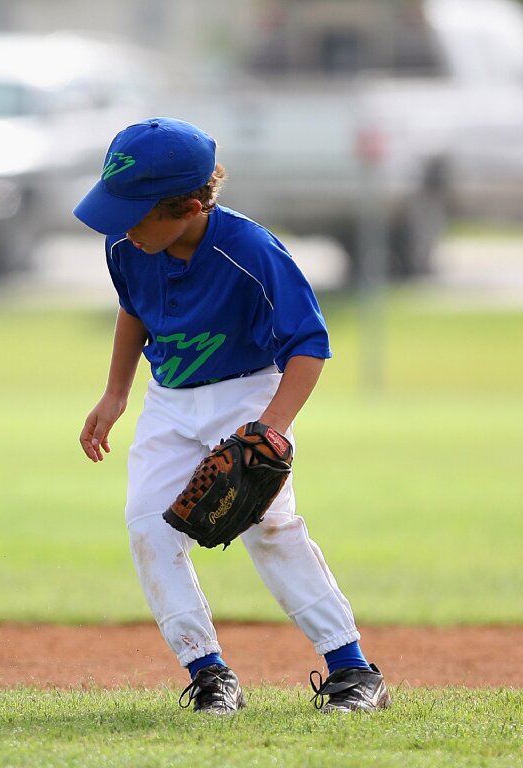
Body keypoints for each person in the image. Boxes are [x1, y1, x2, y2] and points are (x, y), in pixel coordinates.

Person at [73, 117, 390, 714]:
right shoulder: (128, 243)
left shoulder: (250, 249)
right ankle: (209, 673)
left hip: (247, 395)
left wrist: (272, 427)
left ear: (189, 206)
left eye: (135, 213)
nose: (121, 226)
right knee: (148, 526)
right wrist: (116, 393)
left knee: (268, 528)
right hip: (168, 399)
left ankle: (353, 671)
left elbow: (309, 344)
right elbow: (132, 309)